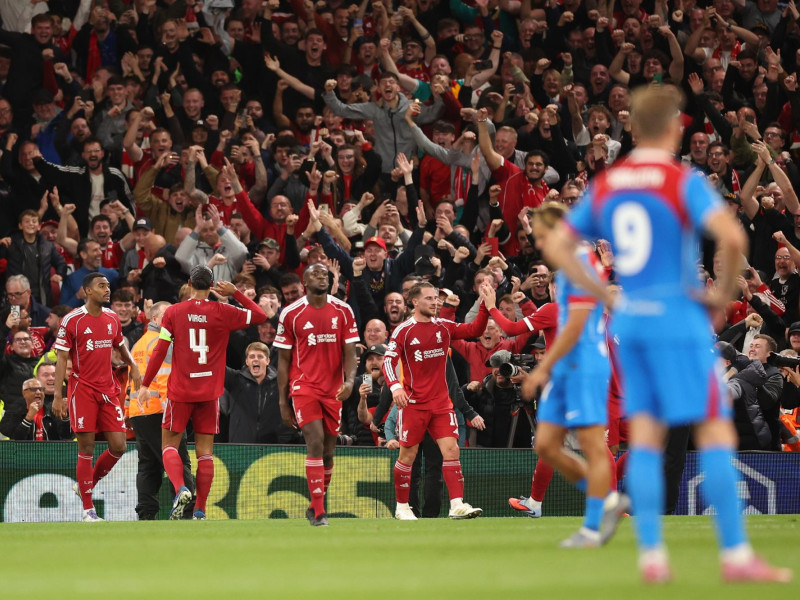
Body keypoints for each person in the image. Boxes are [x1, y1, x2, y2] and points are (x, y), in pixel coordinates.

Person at [544, 85, 791, 583]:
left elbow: (563, 244)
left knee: (650, 438)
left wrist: (605, 291)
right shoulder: (681, 178)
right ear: (676, 127)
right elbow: (734, 234)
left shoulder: (610, 181)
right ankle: (736, 556)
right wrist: (719, 298)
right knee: (716, 433)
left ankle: (652, 554)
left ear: (632, 128)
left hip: (632, 323)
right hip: (677, 318)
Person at [516, 203, 627, 548]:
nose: (538, 243)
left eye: (540, 236)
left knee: (594, 448)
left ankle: (593, 526)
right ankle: (609, 501)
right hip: (568, 368)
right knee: (547, 445)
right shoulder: (575, 263)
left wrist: (542, 369)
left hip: (583, 368)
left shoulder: (575, 264)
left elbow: (577, 323)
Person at [137, 266, 267, 520]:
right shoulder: (224, 311)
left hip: (181, 392)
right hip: (209, 392)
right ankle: (200, 510)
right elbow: (260, 315)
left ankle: (181, 488)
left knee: (169, 446)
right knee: (205, 453)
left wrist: (145, 385)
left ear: (189, 283)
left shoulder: (173, 312)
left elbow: (161, 350)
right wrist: (236, 293)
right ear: (211, 287)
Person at [383, 281, 489, 521]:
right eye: (430, 298)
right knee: (407, 457)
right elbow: (387, 362)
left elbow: (474, 329)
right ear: (415, 302)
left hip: (441, 404)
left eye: (436, 298)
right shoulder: (403, 331)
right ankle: (402, 507)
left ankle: (457, 505)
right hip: (413, 404)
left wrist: (484, 306)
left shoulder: (443, 326)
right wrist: (396, 387)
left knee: (451, 450)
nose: (435, 302)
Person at [52, 272, 142, 522]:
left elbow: (120, 346)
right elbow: (61, 360)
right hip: (82, 390)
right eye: (101, 286)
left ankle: (85, 484)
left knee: (119, 446)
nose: (107, 289)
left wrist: (133, 365)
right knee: (86, 448)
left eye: (108, 286)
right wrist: (58, 396)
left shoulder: (112, 318)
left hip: (109, 390)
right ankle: (88, 510)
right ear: (87, 291)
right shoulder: (73, 320)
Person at [274, 263, 359, 527]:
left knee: (329, 451)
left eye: (326, 274)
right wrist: (282, 401)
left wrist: (350, 381)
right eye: (316, 274)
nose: (322, 276)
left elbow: (350, 352)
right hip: (304, 387)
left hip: (334, 389)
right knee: (315, 441)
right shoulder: (291, 313)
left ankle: (314, 504)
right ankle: (320, 512)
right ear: (304, 281)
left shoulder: (343, 310)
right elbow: (284, 360)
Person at [129, 300, 195, 521]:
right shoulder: (161, 341)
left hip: (138, 411)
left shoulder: (139, 343)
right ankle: (185, 509)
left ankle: (146, 513)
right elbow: (166, 375)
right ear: (156, 319)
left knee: (148, 465)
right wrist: (172, 407)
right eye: (168, 315)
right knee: (178, 459)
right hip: (161, 409)